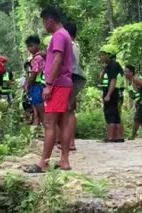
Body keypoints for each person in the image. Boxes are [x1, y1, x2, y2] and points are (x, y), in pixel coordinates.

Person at [25, 6, 74, 173]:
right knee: (63, 122)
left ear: (50, 20)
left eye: (44, 22)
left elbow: (57, 60)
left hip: (58, 84)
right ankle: (64, 160)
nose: (44, 26)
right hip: (65, 83)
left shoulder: (59, 36)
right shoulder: (65, 35)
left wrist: (49, 85)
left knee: (49, 122)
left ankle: (43, 162)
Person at [61, 21, 86, 151]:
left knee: (67, 110)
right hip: (75, 77)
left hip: (68, 77)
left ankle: (68, 142)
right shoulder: (76, 44)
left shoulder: (67, 44)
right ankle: (71, 142)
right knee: (70, 110)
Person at [98, 44, 125, 143]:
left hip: (111, 92)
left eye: (102, 55)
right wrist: (104, 68)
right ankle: (117, 137)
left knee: (110, 114)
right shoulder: (110, 66)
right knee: (115, 114)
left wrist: (108, 95)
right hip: (114, 92)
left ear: (109, 55)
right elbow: (101, 78)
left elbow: (113, 80)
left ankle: (111, 137)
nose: (100, 57)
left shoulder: (113, 65)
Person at [24, 35, 46, 126]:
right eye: (28, 46)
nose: (30, 48)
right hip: (38, 85)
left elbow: (34, 73)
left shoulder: (37, 58)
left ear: (38, 45)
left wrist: (28, 85)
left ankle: (47, 128)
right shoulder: (39, 57)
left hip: (37, 86)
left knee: (40, 108)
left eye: (32, 46)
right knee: (36, 110)